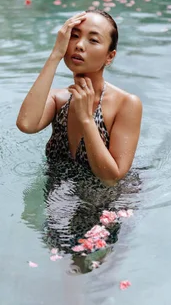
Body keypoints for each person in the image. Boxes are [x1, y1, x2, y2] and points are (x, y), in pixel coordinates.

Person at [16, 10, 142, 186]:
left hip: (110, 203)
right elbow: (26, 124)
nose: (80, 45)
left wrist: (87, 119)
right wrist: (55, 55)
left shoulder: (126, 104)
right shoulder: (58, 99)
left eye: (93, 40)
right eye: (74, 36)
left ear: (109, 56)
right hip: (57, 199)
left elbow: (111, 178)